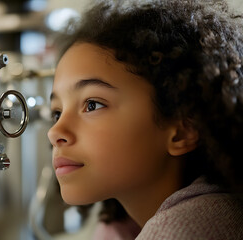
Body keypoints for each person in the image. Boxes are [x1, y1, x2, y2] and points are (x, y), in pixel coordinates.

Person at [47, 0, 243, 239]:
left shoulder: (185, 230)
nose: (55, 131)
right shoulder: (124, 226)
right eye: (57, 112)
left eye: (92, 105)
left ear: (184, 129)